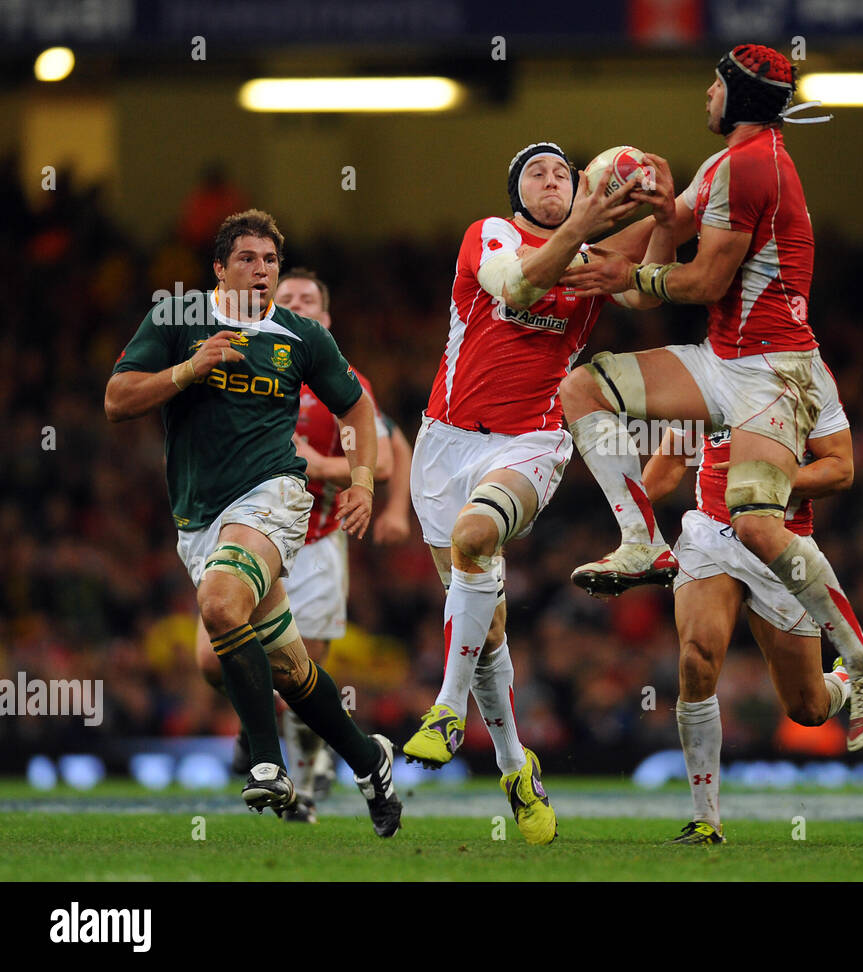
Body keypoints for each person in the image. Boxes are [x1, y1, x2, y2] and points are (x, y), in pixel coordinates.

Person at [557, 43, 863, 751]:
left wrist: (631, 274)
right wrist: (580, 239)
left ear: (740, 95)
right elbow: (669, 239)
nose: (704, 95)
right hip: (723, 360)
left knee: (754, 523)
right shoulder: (722, 164)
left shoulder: (750, 166)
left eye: (714, 85)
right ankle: (640, 542)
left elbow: (703, 282)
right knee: (583, 387)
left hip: (777, 370)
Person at [401, 142, 676, 844]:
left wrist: (667, 199)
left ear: (582, 187)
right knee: (485, 628)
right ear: (517, 192)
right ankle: (517, 766)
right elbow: (517, 288)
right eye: (536, 173)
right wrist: (587, 225)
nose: (551, 180)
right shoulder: (490, 234)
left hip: (532, 441)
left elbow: (664, 252)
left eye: (564, 173)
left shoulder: (593, 261)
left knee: (475, 538)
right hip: (443, 444)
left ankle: (444, 710)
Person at [106, 210, 403, 837]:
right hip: (198, 515)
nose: (261, 271)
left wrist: (361, 481)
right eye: (247, 259)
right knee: (290, 669)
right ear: (218, 267)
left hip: (274, 494)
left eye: (270, 260)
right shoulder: (177, 319)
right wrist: (188, 370)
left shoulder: (300, 337)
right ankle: (369, 759)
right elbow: (117, 399)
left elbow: (357, 404)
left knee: (219, 606)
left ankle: (268, 764)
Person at [642, 370, 863, 844]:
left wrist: (774, 481)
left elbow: (840, 469)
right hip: (709, 535)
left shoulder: (811, 381)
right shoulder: (707, 375)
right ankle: (706, 820)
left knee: (807, 708)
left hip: (782, 546)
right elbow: (667, 467)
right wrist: (628, 522)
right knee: (695, 659)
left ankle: (860, 671)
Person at [195, 268, 398, 824]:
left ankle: (300, 785)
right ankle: (266, 727)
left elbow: (386, 450)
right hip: (241, 526)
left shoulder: (341, 378)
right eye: (287, 299)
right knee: (211, 664)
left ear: (326, 319)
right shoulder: (245, 358)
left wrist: (330, 469)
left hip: (316, 540)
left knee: (298, 671)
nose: (297, 305)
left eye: (309, 299)